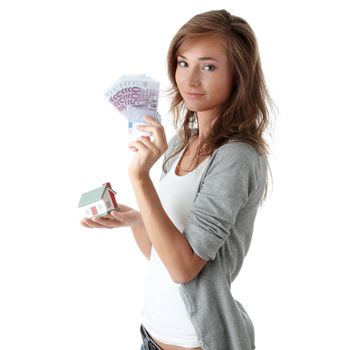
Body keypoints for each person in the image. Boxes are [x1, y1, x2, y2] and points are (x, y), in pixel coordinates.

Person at [81, 9, 274, 350]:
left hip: (197, 343)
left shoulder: (237, 158)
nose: (190, 79)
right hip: (150, 336)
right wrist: (138, 220)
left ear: (238, 75)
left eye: (208, 66)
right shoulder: (180, 143)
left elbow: (184, 268)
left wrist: (141, 178)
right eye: (183, 63)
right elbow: (161, 255)